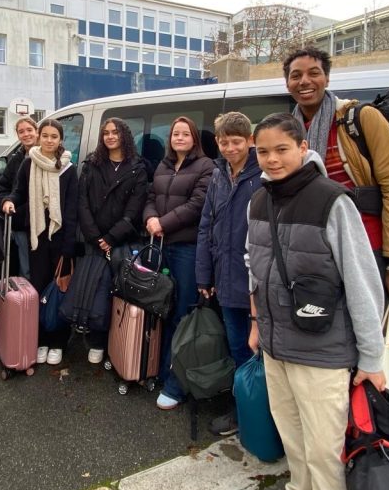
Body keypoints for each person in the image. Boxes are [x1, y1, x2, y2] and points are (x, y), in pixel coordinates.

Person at [247, 112, 385, 490]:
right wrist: (256, 323)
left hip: (322, 353)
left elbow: (362, 282)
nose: (272, 159)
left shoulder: (332, 201)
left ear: (303, 148)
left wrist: (372, 357)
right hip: (276, 348)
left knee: (326, 455)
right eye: (263, 151)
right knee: (296, 445)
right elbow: (254, 266)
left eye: (281, 149)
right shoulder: (258, 200)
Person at [283, 46, 389, 305]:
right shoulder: (289, 130)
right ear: (287, 83)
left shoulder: (361, 118)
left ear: (327, 78)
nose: (304, 81)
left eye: (314, 73)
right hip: (314, 248)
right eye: (296, 75)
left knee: (365, 322)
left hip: (365, 245)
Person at [195, 111, 262, 436]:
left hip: (255, 281)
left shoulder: (263, 174)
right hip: (225, 277)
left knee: (257, 350)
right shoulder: (219, 174)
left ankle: (260, 413)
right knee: (238, 347)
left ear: (250, 140)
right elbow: (206, 225)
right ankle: (244, 409)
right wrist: (204, 275)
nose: (230, 148)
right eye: (224, 142)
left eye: (236, 141)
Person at [144, 116, 214, 410]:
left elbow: (197, 205)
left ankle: (176, 384)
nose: (180, 138)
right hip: (161, 247)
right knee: (161, 311)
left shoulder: (206, 166)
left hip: (187, 249)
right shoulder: (163, 165)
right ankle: (160, 370)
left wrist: (163, 223)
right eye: (176, 134)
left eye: (186, 133)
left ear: (194, 138)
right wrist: (150, 218)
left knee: (183, 315)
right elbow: (150, 196)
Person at [2, 118, 78, 366]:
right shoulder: (28, 163)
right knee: (39, 288)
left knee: (60, 290)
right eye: (45, 135)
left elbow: (72, 210)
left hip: (60, 238)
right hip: (37, 237)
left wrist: (68, 248)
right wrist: (9, 201)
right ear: (39, 137)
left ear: (60, 139)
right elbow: (18, 192)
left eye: (54, 136)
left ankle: (58, 342)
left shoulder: (68, 168)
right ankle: (41, 339)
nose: (48, 140)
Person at [77, 118, 148, 363]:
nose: (110, 136)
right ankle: (96, 342)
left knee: (118, 292)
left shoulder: (137, 168)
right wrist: (96, 237)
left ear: (124, 135)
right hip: (94, 241)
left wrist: (110, 237)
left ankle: (117, 345)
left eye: (115, 132)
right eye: (106, 133)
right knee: (94, 291)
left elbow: (134, 211)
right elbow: (82, 203)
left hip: (121, 242)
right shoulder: (91, 164)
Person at [0, 116, 39, 278]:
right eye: (21, 131)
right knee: (26, 269)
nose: (26, 134)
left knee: (42, 267)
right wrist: (7, 204)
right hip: (21, 222)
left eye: (29, 130)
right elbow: (3, 188)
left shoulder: (47, 156)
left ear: (37, 131)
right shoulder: (15, 160)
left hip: (42, 223)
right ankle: (26, 294)